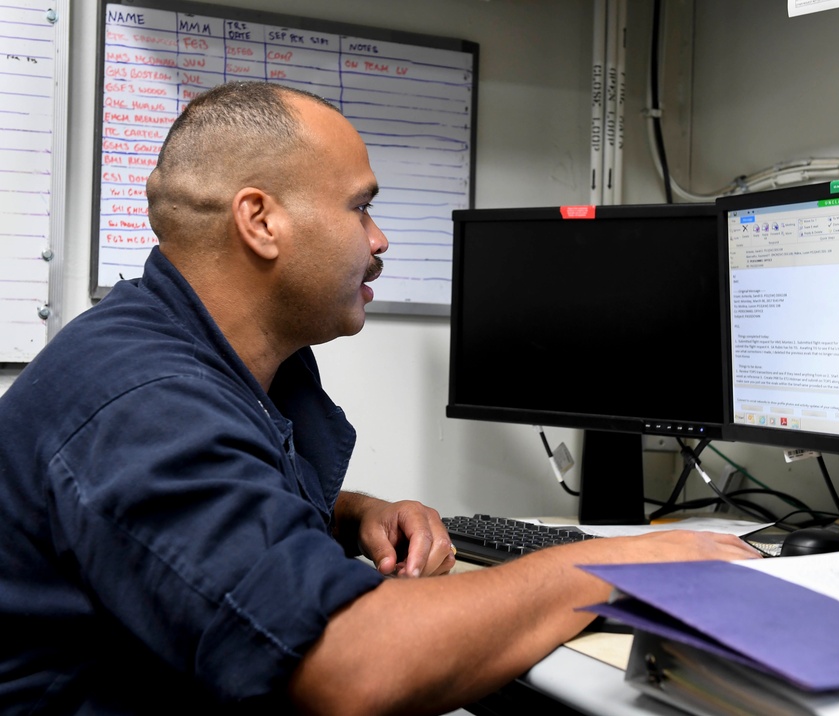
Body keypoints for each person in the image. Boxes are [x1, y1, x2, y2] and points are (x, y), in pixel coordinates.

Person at [0, 81, 760, 715]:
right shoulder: (142, 400)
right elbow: (351, 668)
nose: (381, 238)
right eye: (360, 207)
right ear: (261, 221)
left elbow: (176, 527)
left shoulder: (191, 358)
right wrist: (623, 567)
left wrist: (347, 514)